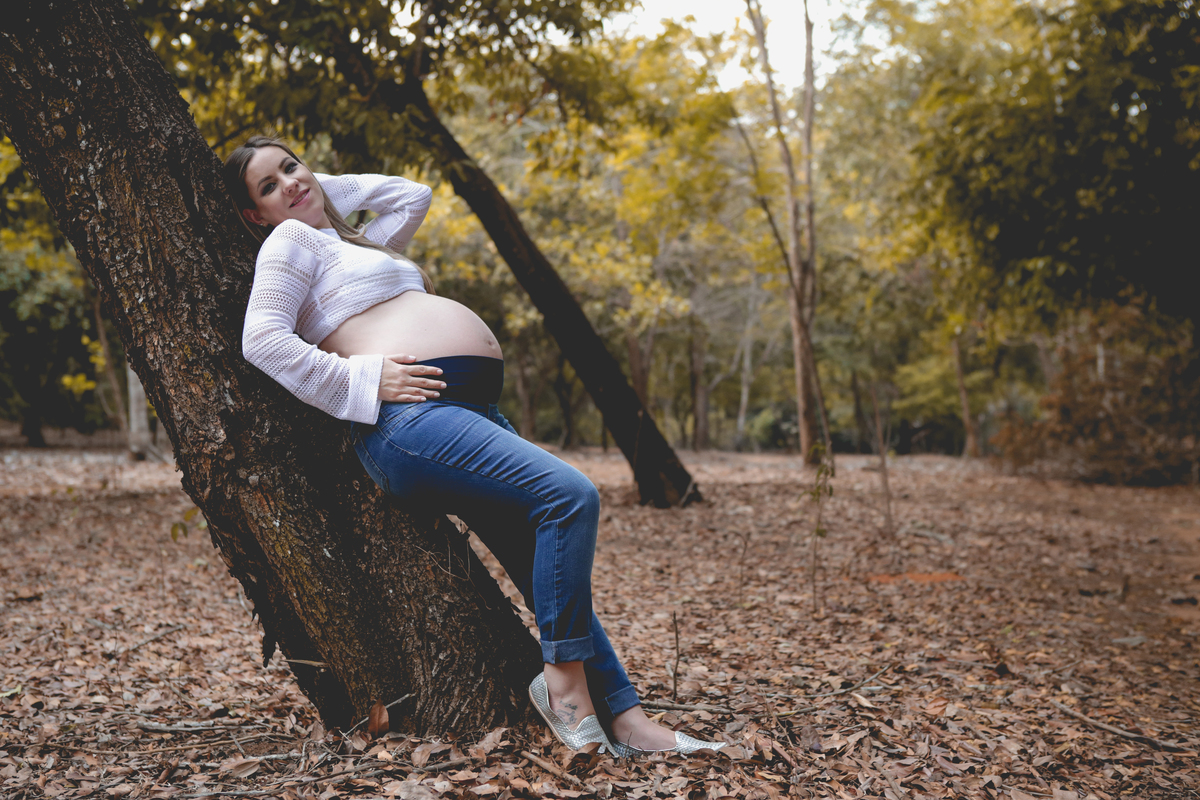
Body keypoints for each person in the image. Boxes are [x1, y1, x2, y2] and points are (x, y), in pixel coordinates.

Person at [223, 136, 723, 757]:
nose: (289, 184)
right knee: (571, 497)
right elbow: (263, 341)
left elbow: (411, 196)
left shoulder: (348, 246)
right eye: (268, 186)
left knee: (541, 560)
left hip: (472, 413)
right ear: (255, 215)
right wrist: (366, 379)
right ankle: (565, 687)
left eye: (292, 167)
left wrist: (315, 188)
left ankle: (629, 722)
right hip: (409, 422)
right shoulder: (288, 243)